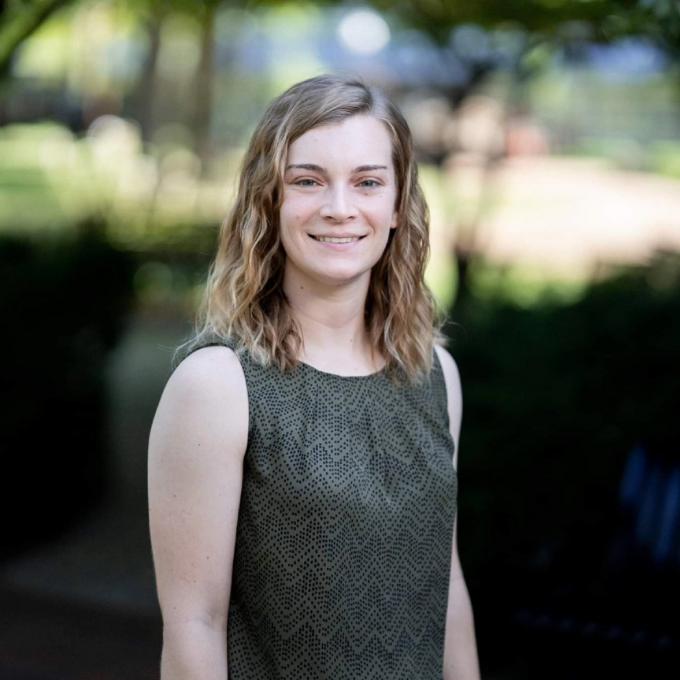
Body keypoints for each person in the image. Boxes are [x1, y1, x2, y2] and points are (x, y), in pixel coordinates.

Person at [148, 72, 481, 680]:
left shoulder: (436, 375)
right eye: (307, 180)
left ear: (398, 205)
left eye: (368, 182)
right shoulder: (218, 387)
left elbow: (446, 581)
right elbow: (194, 624)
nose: (339, 208)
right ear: (268, 200)